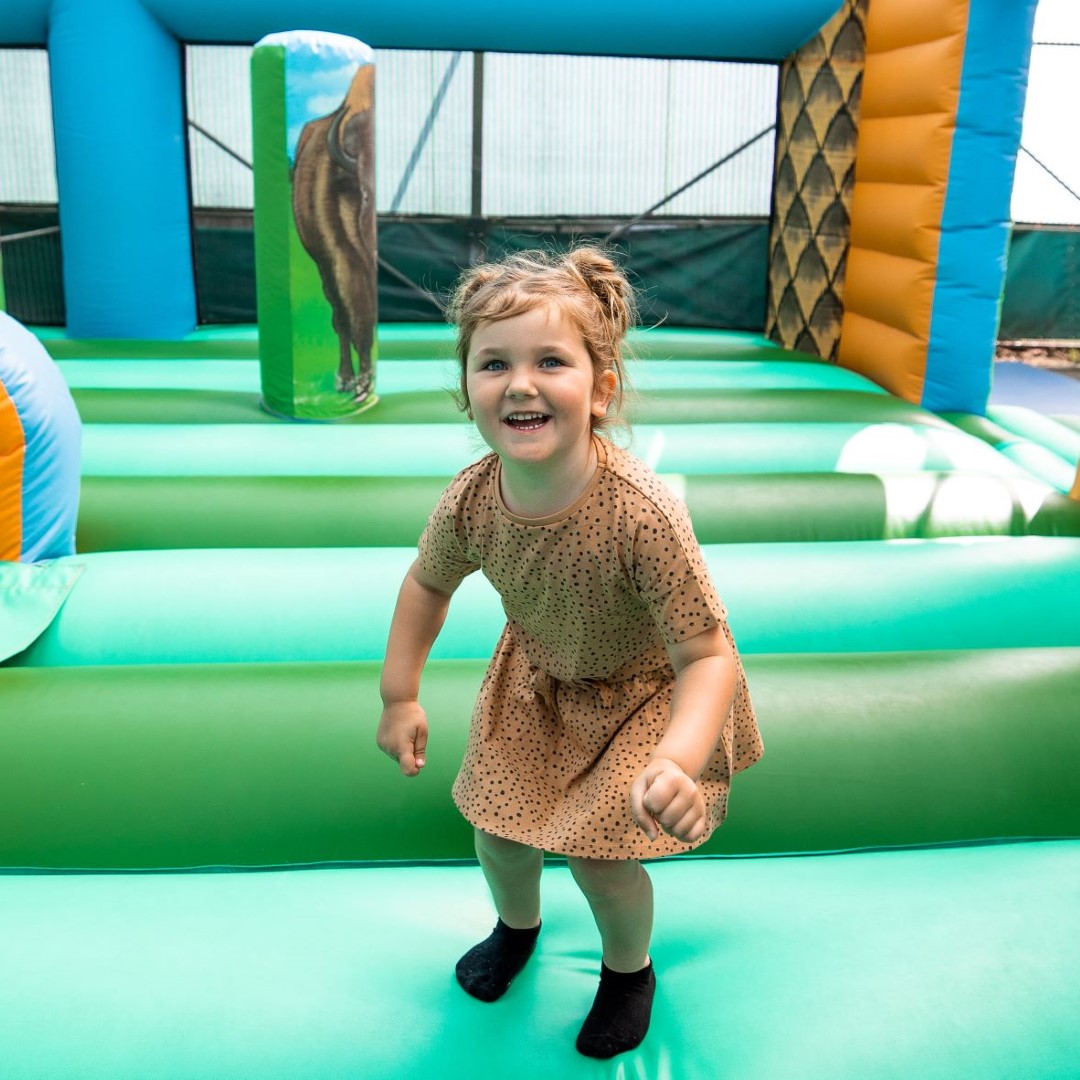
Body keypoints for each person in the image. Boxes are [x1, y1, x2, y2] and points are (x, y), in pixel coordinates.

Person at [377, 246, 763, 1059]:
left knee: (600, 859)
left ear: (601, 389)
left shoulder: (642, 514)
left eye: (550, 360)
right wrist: (398, 694)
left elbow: (708, 654)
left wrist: (678, 761)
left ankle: (629, 971)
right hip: (539, 683)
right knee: (499, 836)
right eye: (494, 364)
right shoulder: (473, 499)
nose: (520, 383)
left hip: (642, 697)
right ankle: (516, 928)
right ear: (468, 392)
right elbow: (426, 586)